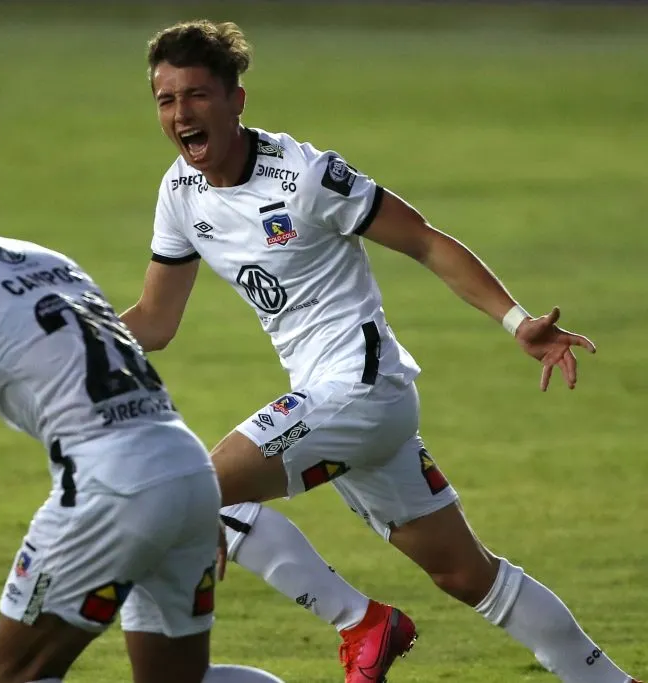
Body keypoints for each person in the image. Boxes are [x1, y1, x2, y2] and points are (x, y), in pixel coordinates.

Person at [120, 19, 641, 683]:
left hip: (361, 391)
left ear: (236, 101)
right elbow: (156, 320)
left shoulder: (307, 177)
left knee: (196, 483)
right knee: (465, 573)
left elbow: (422, 239)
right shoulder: (180, 193)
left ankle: (363, 622)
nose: (180, 113)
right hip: (337, 406)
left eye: (196, 95)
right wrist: (77, 337)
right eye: (166, 100)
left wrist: (516, 322)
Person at [0, 134, 287, 683]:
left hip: (110, 486)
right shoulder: (50, 262)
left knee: (14, 677)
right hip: (186, 467)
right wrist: (182, 497)